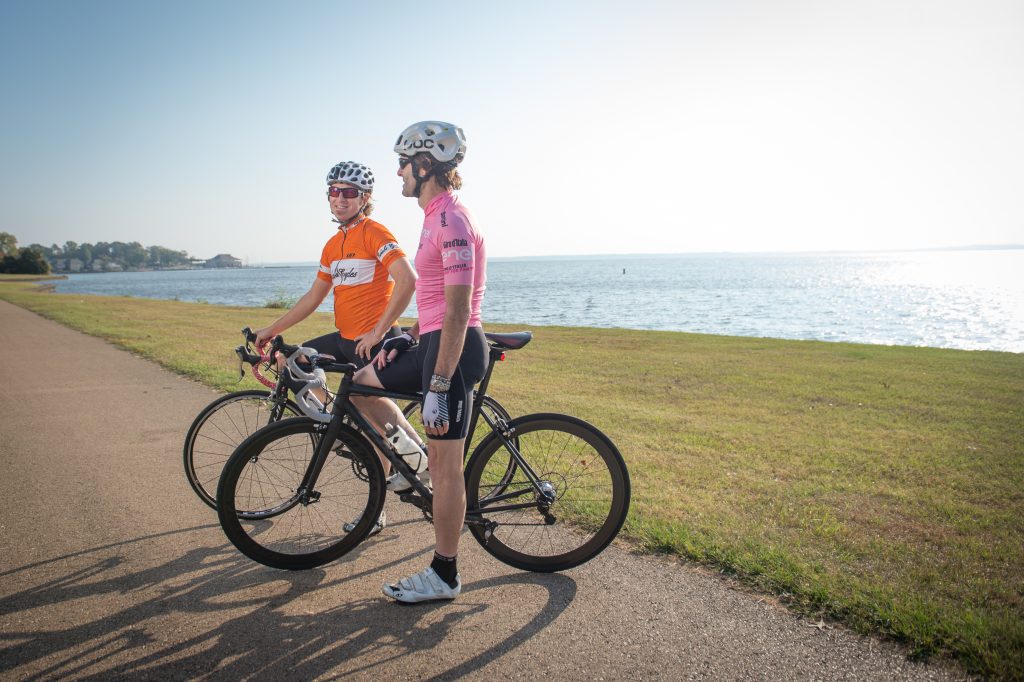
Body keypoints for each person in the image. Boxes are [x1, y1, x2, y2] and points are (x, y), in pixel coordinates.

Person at [352, 121, 487, 603]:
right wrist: (405, 339)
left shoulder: (452, 221)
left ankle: (445, 574)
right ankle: (412, 459)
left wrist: (439, 384)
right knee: (363, 384)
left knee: (447, 471)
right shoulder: (433, 216)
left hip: (453, 351)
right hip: (431, 342)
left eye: (403, 163)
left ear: (425, 165)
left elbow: (457, 307)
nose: (398, 172)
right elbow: (432, 303)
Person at [254, 161, 417, 535]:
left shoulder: (375, 232)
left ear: (364, 198)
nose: (340, 199)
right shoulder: (333, 244)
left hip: (374, 340)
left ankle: (411, 462)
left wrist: (376, 333)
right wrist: (271, 329)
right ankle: (339, 421)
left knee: (374, 416)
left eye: (349, 193)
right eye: (334, 191)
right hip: (346, 340)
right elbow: (314, 296)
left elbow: (407, 280)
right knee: (290, 359)